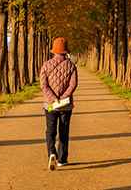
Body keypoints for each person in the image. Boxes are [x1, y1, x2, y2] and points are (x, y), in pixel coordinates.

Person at [40, 37, 78, 171]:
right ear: (66, 51)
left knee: (50, 130)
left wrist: (53, 98)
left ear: (54, 51)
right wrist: (62, 98)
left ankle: (51, 153)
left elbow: (43, 85)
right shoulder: (71, 66)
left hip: (50, 104)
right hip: (66, 105)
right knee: (64, 130)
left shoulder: (46, 65)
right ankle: (62, 159)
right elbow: (73, 85)